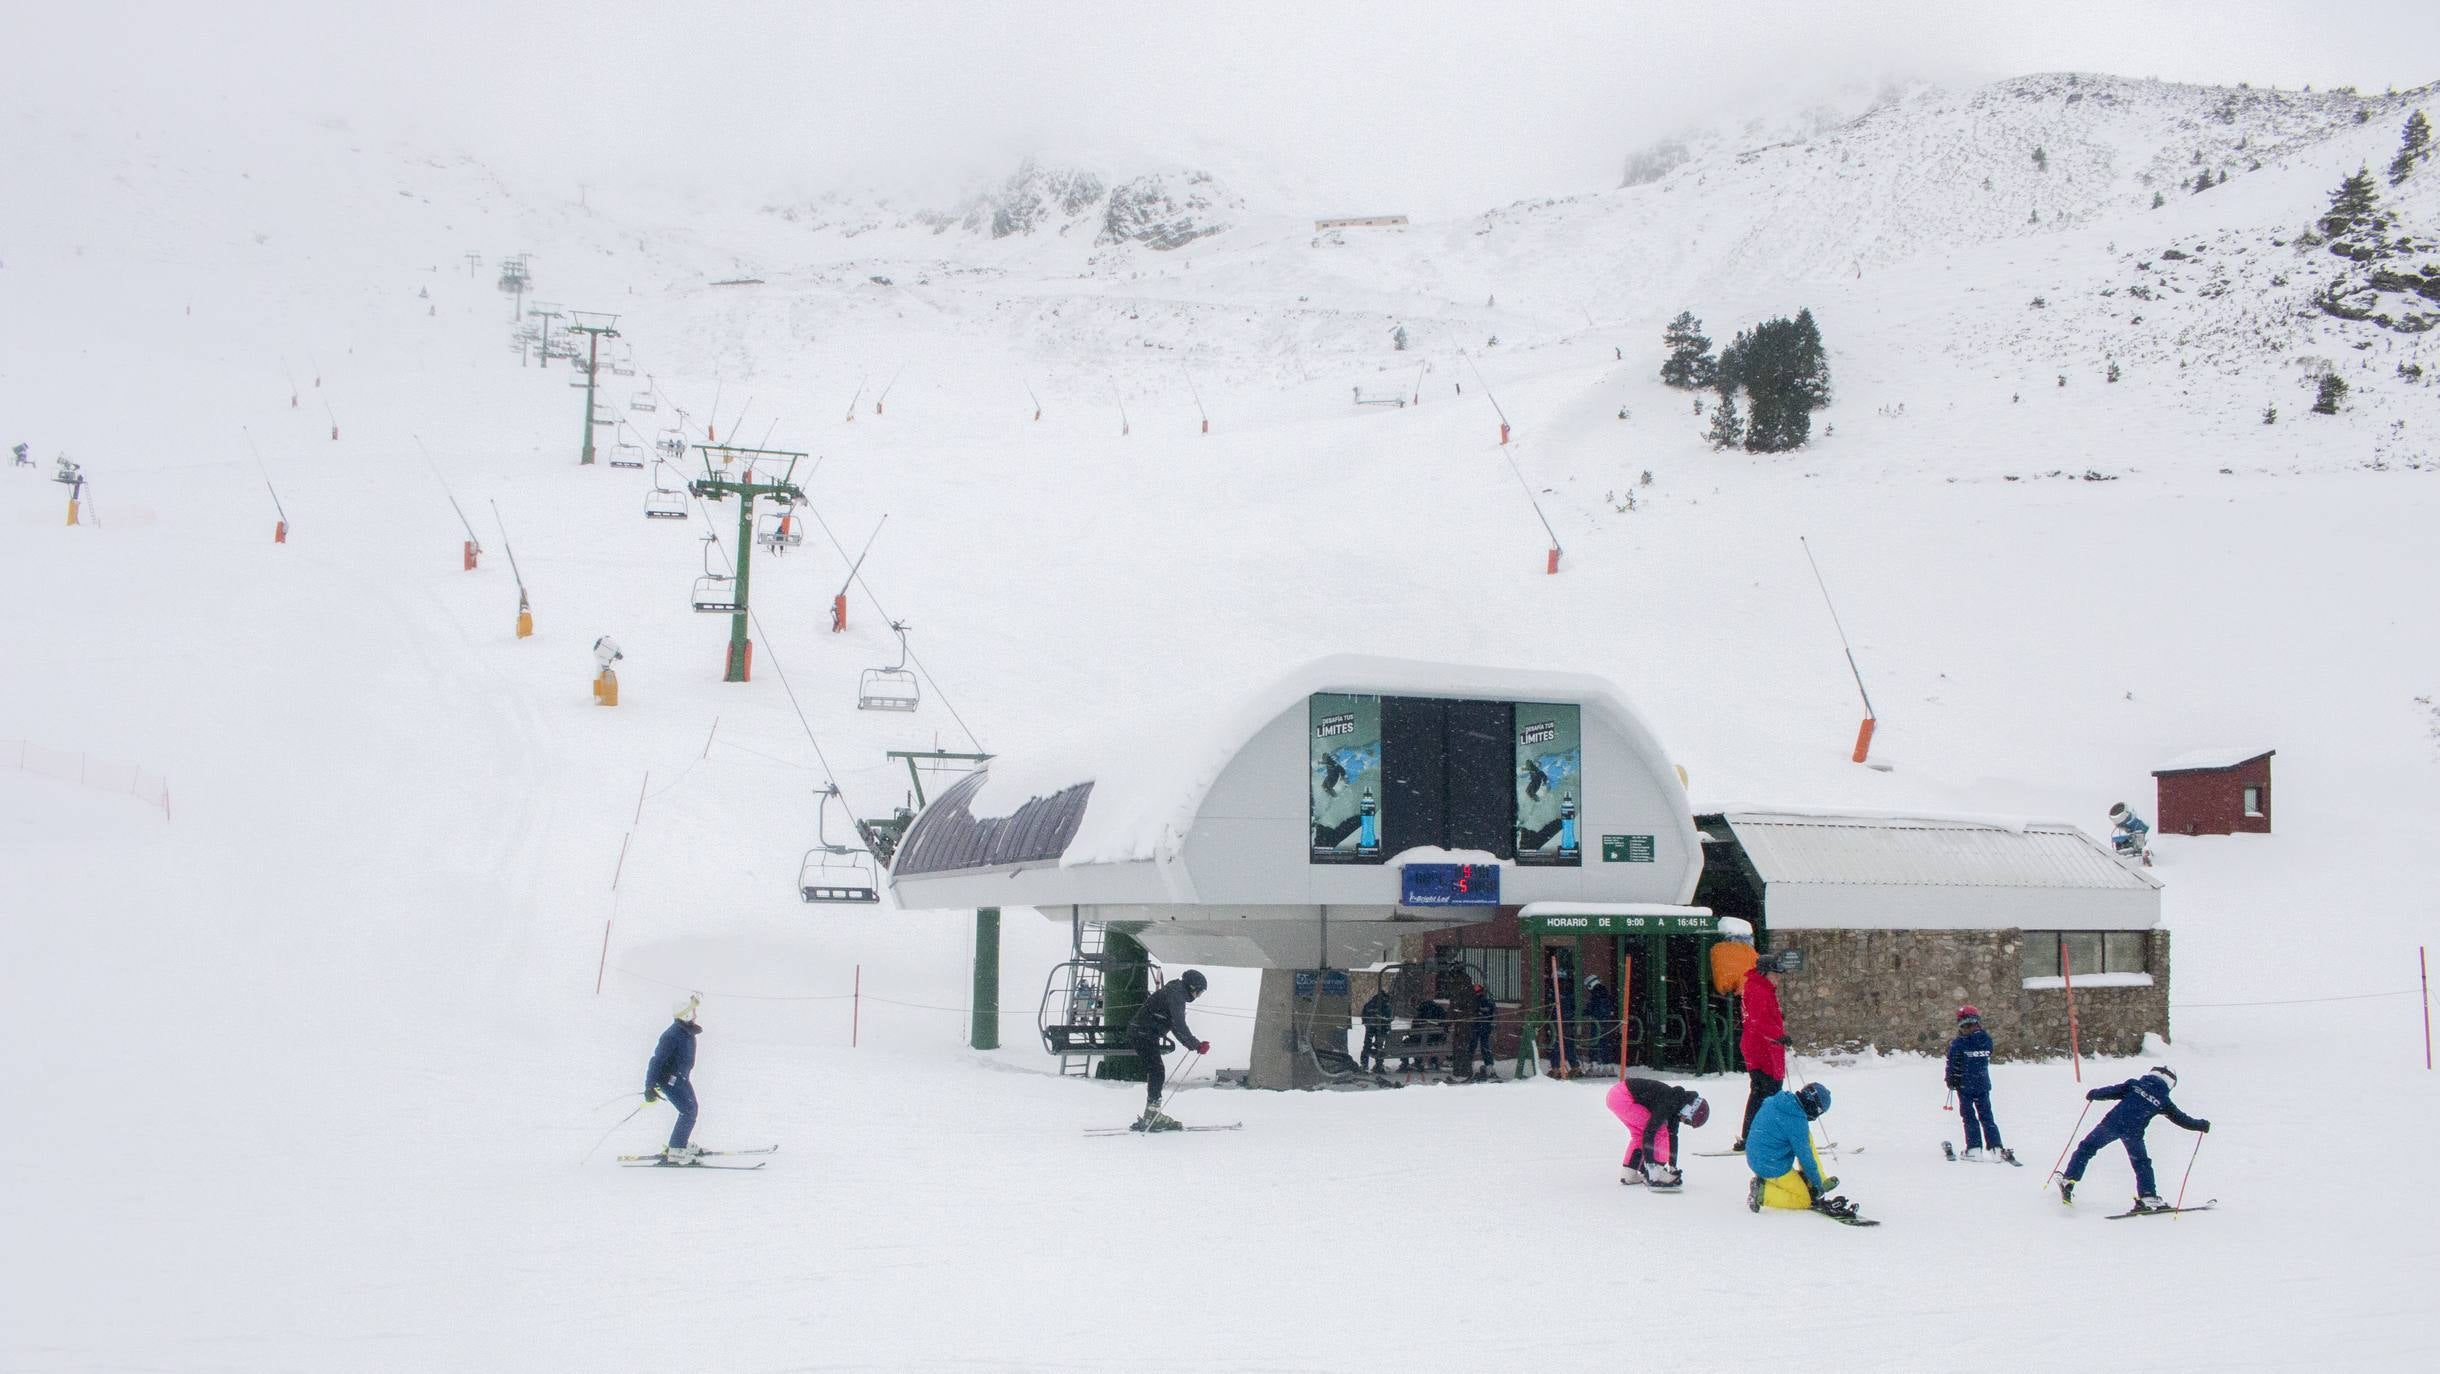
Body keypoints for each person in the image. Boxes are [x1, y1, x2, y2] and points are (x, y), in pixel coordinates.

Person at [2057, 1066, 2210, 1211]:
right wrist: (2200, 1125)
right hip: (2134, 1133)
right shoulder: (2163, 1100)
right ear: (2170, 1083)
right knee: (2141, 1163)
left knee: (2087, 1148)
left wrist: (2094, 1093)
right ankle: (2148, 1197)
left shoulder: (2134, 1085)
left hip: (2111, 1124)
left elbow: (2111, 1091)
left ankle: (2069, 1180)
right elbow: (2181, 1119)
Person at [1744, 1082, 1859, 1219]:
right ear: (1814, 1106)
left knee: (1806, 1138)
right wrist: (1817, 1186)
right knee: (1803, 1199)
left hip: (1756, 1154)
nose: (1815, 1118)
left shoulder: (1778, 1100)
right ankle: (1763, 1192)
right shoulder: (1796, 1122)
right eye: (1819, 1112)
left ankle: (1809, 1180)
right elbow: (1805, 1157)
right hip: (1771, 1165)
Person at [1126, 969, 1210, 1131]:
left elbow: (1175, 1026)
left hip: (1141, 1032)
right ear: (1193, 987)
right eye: (1199, 992)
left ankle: (1152, 1113)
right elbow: (1179, 1024)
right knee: (1157, 1070)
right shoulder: (1177, 995)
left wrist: (1192, 1044)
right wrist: (1196, 1044)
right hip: (1144, 1033)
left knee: (1156, 1070)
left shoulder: (1175, 992)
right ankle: (1152, 1115)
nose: (1199, 996)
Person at [1609, 1076, 1708, 1189]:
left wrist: (1673, 1166)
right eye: (1688, 1120)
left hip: (1616, 1096)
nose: (1684, 1122)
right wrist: (1652, 1167)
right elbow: (1650, 1132)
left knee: (1639, 1135)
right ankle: (1657, 1172)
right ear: (1689, 1109)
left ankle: (1629, 1174)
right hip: (1624, 1097)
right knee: (1660, 1130)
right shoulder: (1669, 1102)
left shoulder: (1676, 1105)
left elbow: (1673, 1136)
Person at [1945, 1005, 2014, 1162]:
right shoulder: (1986, 1040)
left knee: (1969, 1117)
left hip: (1965, 1086)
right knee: (1987, 1116)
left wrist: (1950, 1080)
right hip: (1982, 1084)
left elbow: (1952, 1063)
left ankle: (1974, 1148)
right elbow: (1988, 1051)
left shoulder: (1959, 1043)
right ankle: (1996, 1148)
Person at [1733, 958, 1789, 1150]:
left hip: (1761, 1047)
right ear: (1765, 973)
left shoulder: (1760, 987)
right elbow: (1757, 1020)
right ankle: (1757, 1138)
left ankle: (1751, 1137)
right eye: (1775, 974)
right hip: (1762, 1050)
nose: (1778, 979)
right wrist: (1778, 1035)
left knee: (1761, 1093)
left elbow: (1762, 1016)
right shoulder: (1758, 989)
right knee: (1768, 1094)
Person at [644, 994, 705, 1163]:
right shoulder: (672, 1035)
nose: (695, 1015)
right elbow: (657, 1060)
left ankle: (679, 1144)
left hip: (680, 1077)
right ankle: (676, 1149)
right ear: (684, 1015)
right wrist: (650, 1086)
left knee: (691, 1109)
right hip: (671, 1079)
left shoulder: (685, 1032)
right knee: (688, 1110)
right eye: (692, 1012)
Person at [1582, 975, 1621, 1070]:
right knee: (1605, 1043)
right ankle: (1607, 1064)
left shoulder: (1596, 994)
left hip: (1597, 1022)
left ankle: (1594, 1064)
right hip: (1606, 1022)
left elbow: (1593, 1008)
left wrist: (1584, 1012)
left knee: (1594, 1042)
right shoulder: (1606, 992)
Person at [1465, 981, 1497, 1079]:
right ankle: (1471, 1068)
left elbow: (1489, 1014)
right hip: (1480, 1027)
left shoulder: (1478, 1002)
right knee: (1480, 1047)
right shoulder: (1484, 1002)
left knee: (1478, 1047)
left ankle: (1470, 1067)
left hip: (1480, 1027)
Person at [1360, 985, 1395, 1074]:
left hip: (1370, 1026)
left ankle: (1364, 1064)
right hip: (1382, 1028)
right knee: (1379, 1046)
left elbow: (1364, 1014)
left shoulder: (1371, 1002)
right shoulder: (1386, 1004)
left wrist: (1367, 1023)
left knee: (1367, 1045)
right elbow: (1389, 1017)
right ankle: (1379, 1064)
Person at [1410, 995, 1448, 1072]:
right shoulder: (1437, 1008)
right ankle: (1434, 1062)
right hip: (1438, 1037)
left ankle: (1416, 1062)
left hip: (1426, 1038)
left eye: (1412, 1006)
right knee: (1432, 1042)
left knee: (1412, 1041)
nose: (1413, 1008)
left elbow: (1414, 1029)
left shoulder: (1422, 1011)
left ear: (1416, 1003)